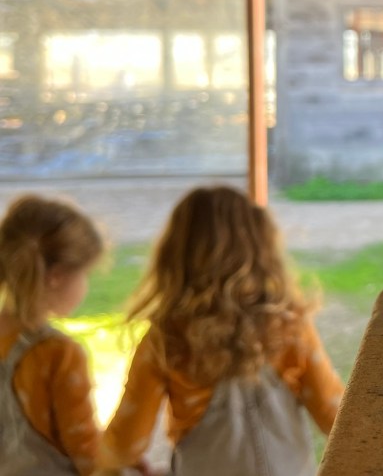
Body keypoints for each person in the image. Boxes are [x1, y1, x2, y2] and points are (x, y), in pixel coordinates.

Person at [99, 186, 344, 476]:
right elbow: (336, 417)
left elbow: (125, 445)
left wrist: (108, 457)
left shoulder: (168, 339)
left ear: (175, 256)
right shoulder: (288, 326)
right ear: (263, 251)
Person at [0, 194, 104, 475]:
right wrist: (119, 462)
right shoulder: (58, 354)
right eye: (85, 274)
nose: (85, 285)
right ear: (56, 277)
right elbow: (85, 451)